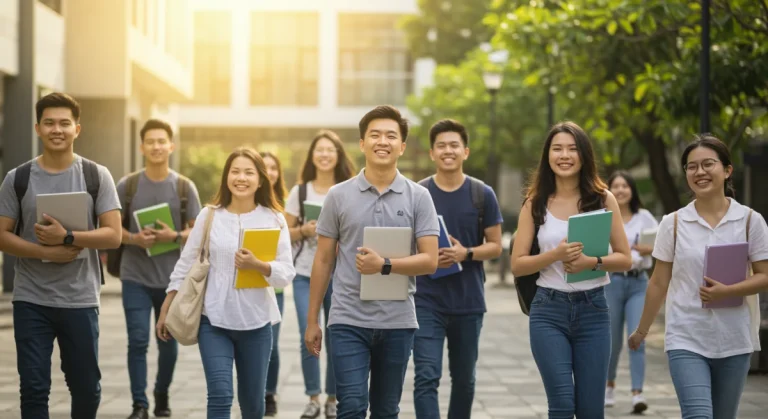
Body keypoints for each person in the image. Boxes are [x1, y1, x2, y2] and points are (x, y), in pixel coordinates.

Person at [304, 105, 440, 419]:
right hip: (348, 319)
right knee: (350, 407)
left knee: (385, 410)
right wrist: (313, 320)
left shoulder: (418, 196)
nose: (383, 141)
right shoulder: (338, 196)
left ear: (402, 146)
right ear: (362, 143)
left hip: (397, 322)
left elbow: (430, 260)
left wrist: (386, 265)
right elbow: (323, 260)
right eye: (375, 135)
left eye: (391, 136)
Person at [0, 92, 122, 418]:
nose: (58, 129)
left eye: (65, 123)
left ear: (77, 129)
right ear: (38, 128)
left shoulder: (97, 175)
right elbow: (2, 235)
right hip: (31, 299)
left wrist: (67, 237)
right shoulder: (18, 178)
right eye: (50, 123)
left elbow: (113, 234)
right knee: (34, 388)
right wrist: (43, 252)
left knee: (86, 387)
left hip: (80, 299)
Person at [628, 135, 768, 419]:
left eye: (708, 164)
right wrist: (641, 331)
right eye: (692, 167)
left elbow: (764, 275)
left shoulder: (750, 220)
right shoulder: (674, 223)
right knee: (698, 415)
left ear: (727, 170)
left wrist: (728, 291)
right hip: (686, 336)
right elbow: (658, 281)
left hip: (734, 337)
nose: (700, 172)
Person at [156, 147, 296, 419]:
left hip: (256, 324)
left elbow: (286, 273)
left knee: (253, 405)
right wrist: (167, 305)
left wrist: (259, 266)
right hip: (214, 321)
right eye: (235, 171)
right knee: (219, 396)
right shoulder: (210, 216)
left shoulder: (274, 219)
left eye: (248, 172)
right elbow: (185, 263)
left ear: (260, 180)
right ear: (226, 177)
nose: (241, 178)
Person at [510, 121, 633, 418]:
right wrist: (555, 254)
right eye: (557, 149)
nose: (564, 155)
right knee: (562, 404)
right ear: (547, 156)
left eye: (572, 149)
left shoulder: (603, 199)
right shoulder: (535, 202)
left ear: (583, 156)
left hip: (593, 310)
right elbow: (517, 264)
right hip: (548, 311)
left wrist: (592, 262)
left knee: (591, 409)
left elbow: (625, 258)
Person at [413, 119, 503, 419]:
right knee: (426, 376)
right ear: (431, 153)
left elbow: (496, 245)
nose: (447, 151)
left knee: (464, 380)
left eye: (454, 145)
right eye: (441, 146)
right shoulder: (418, 193)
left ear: (465, 151)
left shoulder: (482, 194)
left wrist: (465, 253)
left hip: (468, 302)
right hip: (425, 300)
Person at [116, 119, 202, 419]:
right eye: (150, 141)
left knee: (168, 340)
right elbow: (111, 229)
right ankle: (139, 404)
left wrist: (174, 237)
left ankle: (161, 392)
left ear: (171, 145)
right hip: (134, 277)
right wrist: (133, 239)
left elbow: (198, 231)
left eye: (161, 141)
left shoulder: (183, 187)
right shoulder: (127, 186)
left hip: (172, 281)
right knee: (137, 340)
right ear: (141, 147)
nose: (156, 146)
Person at [284, 131, 356, 419]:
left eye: (330, 150)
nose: (324, 155)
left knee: (338, 337)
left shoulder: (349, 190)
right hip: (305, 274)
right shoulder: (300, 192)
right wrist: (303, 230)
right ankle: (313, 397)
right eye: (319, 150)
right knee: (309, 330)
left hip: (341, 276)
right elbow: (282, 234)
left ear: (338, 155)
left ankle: (332, 398)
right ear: (312, 155)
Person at [603, 170, 658, 413]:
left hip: (638, 283)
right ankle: (609, 385)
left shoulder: (644, 217)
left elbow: (662, 245)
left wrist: (649, 249)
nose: (621, 190)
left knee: (638, 337)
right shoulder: (604, 217)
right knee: (612, 341)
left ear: (632, 190)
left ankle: (637, 393)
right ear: (609, 190)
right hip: (612, 282)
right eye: (616, 186)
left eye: (625, 186)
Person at [260, 150, 289, 416]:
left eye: (273, 168)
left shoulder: (283, 206)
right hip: (246, 284)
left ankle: (269, 393)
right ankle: (254, 389)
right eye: (264, 167)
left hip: (274, 285)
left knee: (272, 343)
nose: (269, 172)